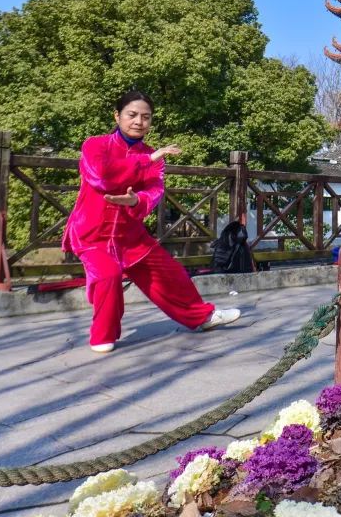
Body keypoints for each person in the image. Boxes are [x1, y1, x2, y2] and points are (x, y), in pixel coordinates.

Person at [62, 90, 240, 353]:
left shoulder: (155, 159)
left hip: (130, 236)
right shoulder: (96, 145)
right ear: (117, 116)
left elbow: (154, 191)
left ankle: (201, 316)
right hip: (91, 233)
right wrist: (147, 159)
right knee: (108, 274)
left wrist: (136, 202)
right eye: (132, 115)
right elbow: (102, 177)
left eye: (146, 117)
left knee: (171, 272)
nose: (138, 122)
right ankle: (102, 335)